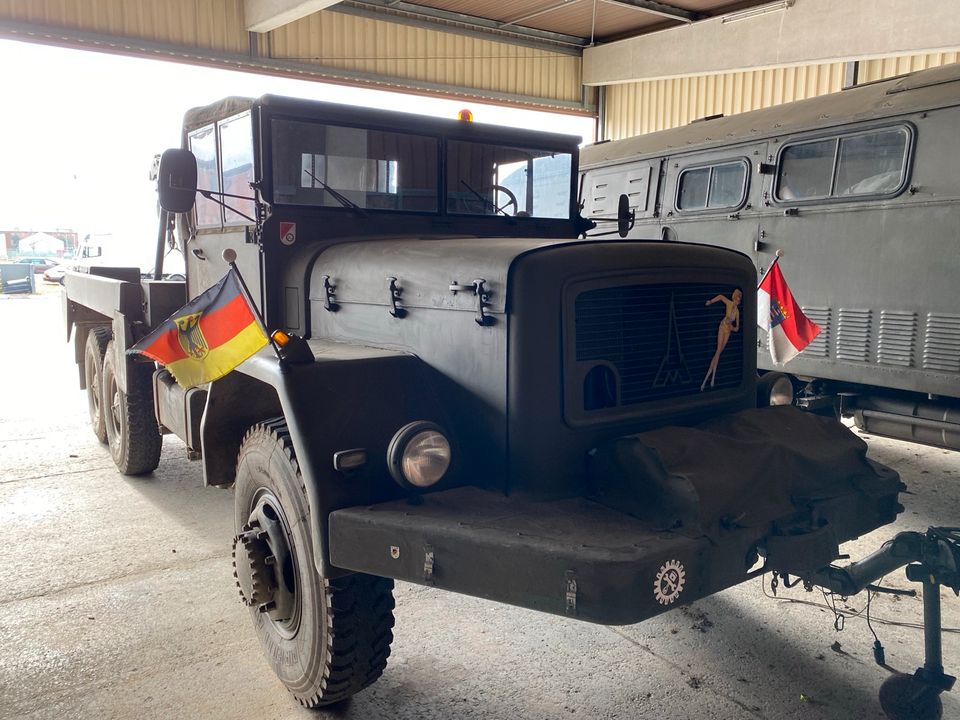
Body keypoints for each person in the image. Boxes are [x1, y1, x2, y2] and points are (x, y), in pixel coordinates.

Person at [701, 289, 741, 391]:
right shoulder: (729, 303)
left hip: (728, 330)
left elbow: (737, 328)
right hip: (722, 327)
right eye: (736, 299)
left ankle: (708, 377)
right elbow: (720, 297)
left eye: (738, 301)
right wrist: (711, 301)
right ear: (734, 298)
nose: (737, 302)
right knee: (718, 350)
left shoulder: (737, 312)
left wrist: (732, 328)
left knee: (719, 352)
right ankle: (712, 378)